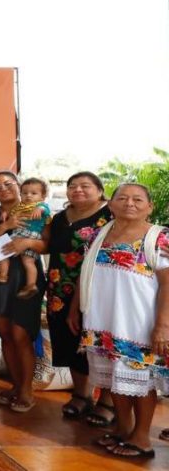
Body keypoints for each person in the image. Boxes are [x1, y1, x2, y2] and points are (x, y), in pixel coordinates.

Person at [69, 183, 169, 459]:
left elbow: (168, 284)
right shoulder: (98, 234)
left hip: (139, 325)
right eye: (122, 198)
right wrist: (75, 308)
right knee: (114, 378)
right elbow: (86, 273)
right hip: (102, 322)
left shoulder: (159, 238)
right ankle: (124, 429)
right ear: (110, 205)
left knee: (141, 381)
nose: (129, 203)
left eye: (138, 199)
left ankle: (142, 438)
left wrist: (163, 325)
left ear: (150, 207)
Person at [44, 172, 115, 424]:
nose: (78, 190)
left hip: (98, 289)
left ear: (100, 190)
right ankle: (82, 395)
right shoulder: (59, 217)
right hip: (60, 290)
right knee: (69, 340)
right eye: (72, 186)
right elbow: (46, 245)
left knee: (101, 342)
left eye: (85, 186)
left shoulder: (111, 215)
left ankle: (107, 401)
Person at [0, 171, 45, 413]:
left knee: (20, 334)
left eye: (8, 184)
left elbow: (48, 243)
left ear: (18, 185)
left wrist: (27, 243)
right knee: (5, 334)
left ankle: (26, 391)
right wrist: (7, 225)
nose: (3, 189)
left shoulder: (36, 208)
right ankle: (15, 386)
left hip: (26, 277)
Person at [0, 178, 51, 300]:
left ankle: (31, 284)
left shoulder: (39, 205)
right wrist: (5, 214)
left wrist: (39, 209)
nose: (28, 196)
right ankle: (3, 274)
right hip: (19, 234)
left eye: (34, 193)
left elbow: (45, 210)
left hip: (30, 234)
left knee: (28, 261)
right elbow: (12, 213)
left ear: (43, 196)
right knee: (1, 251)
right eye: (25, 193)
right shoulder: (20, 206)